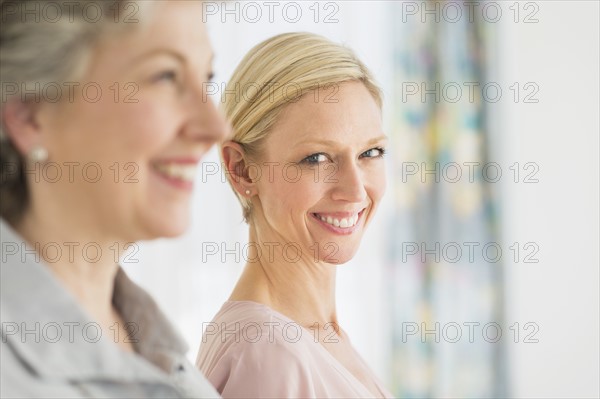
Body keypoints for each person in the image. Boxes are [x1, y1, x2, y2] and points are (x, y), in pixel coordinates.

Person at [0, 1, 229, 397]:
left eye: (207, 79)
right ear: (29, 113)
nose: (216, 126)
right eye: (166, 76)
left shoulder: (167, 360)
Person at [196, 32, 393, 398]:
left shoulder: (316, 336)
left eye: (371, 153)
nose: (354, 190)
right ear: (241, 170)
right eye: (317, 158)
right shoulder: (268, 354)